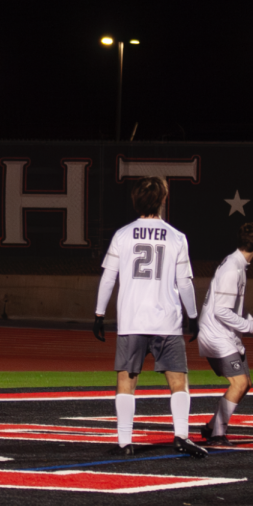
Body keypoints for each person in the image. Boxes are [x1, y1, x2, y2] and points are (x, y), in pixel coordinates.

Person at [94, 176, 206, 458]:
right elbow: (185, 282)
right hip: (167, 319)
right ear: (162, 200)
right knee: (178, 381)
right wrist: (193, 315)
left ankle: (124, 442)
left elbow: (108, 278)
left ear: (135, 200)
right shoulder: (176, 236)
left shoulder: (122, 234)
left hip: (132, 319)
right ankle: (181, 436)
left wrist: (98, 313)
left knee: (126, 380)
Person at [197, 222, 253, 447]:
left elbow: (231, 307)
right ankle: (218, 434)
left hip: (223, 334)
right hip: (217, 336)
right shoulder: (233, 267)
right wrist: (251, 328)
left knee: (245, 383)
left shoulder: (237, 264)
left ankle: (211, 428)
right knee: (239, 384)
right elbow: (221, 310)